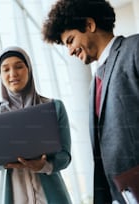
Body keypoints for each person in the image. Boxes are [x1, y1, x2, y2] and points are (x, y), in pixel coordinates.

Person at [42, 0, 139, 203]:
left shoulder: (134, 49)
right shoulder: (94, 85)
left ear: (89, 25)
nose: (69, 51)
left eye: (70, 40)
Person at [0, 46, 72, 204]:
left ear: (29, 69)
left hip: (51, 197)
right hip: (14, 196)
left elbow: (65, 156)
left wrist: (43, 166)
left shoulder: (54, 107)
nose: (13, 74)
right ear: (0, 75)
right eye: (6, 69)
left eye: (19, 67)